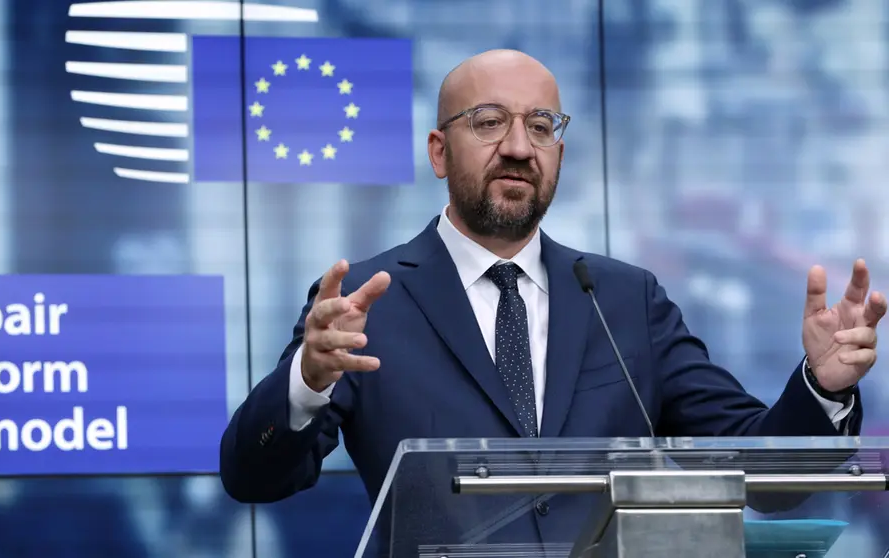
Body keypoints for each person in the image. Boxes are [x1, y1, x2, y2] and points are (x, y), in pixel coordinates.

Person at [219, 49, 886, 549]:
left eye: (541, 126)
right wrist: (306, 382)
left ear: (560, 149)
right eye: (488, 123)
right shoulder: (371, 302)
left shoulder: (624, 299)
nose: (518, 147)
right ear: (438, 151)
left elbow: (768, 478)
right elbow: (255, 477)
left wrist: (820, 388)